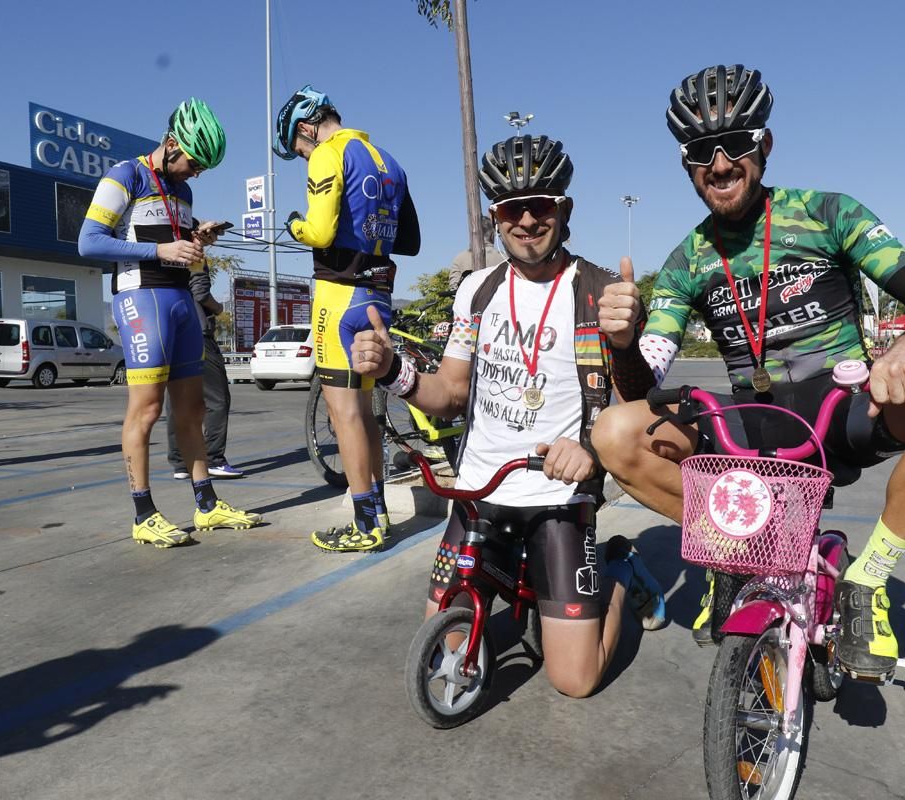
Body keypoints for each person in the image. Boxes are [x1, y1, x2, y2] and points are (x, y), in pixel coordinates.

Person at [592, 64, 905, 679]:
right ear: (686, 164)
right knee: (615, 431)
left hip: (843, 409)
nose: (721, 164)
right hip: (748, 428)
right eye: (702, 151)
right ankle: (738, 552)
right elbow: (643, 386)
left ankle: (868, 579)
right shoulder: (688, 258)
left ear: (766, 146)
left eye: (739, 144)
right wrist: (621, 342)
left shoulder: (827, 212)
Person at [352, 135, 667, 698]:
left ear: (563, 210)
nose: (525, 221)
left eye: (540, 205)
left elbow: (636, 402)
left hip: (558, 497)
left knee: (574, 679)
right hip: (480, 491)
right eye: (509, 209)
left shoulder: (599, 291)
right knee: (448, 646)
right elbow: (449, 392)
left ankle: (619, 569)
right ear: (494, 218)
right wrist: (393, 370)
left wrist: (596, 438)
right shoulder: (476, 290)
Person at [79, 98, 261, 548]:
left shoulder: (184, 192)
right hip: (142, 300)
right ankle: (143, 513)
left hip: (180, 301)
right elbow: (89, 242)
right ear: (172, 143)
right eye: (193, 163)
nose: (195, 173)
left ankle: (207, 505)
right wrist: (160, 252)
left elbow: (172, 240)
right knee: (146, 409)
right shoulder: (128, 174)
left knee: (193, 408)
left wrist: (196, 237)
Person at [273, 84, 421, 552]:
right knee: (366, 415)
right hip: (379, 295)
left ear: (306, 128)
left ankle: (366, 523)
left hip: (339, 298)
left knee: (344, 415)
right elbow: (411, 240)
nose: (303, 156)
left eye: (298, 149)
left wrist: (295, 224)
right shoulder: (387, 160)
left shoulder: (326, 154)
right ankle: (375, 511)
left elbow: (317, 230)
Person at [166, 259, 242, 480]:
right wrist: (218, 308)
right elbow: (200, 293)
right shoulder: (193, 254)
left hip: (170, 332)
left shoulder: (161, 253)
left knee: (176, 399)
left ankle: (180, 463)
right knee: (218, 398)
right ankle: (214, 459)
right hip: (197, 333)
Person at [447, 215, 505, 291]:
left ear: (471, 235)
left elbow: (454, 290)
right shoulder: (505, 258)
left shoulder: (459, 259)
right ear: (492, 235)